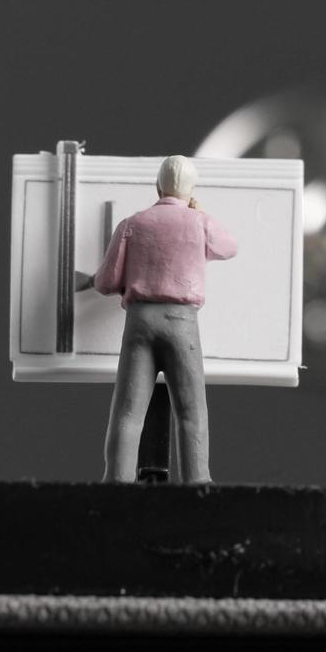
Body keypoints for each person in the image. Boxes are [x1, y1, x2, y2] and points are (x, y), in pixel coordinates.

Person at [94, 155, 237, 483]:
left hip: (140, 321)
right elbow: (230, 247)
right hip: (182, 322)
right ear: (191, 190)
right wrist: (199, 214)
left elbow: (105, 283)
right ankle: (197, 481)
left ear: (158, 187)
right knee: (190, 413)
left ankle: (116, 480)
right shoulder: (199, 222)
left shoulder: (132, 223)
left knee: (128, 413)